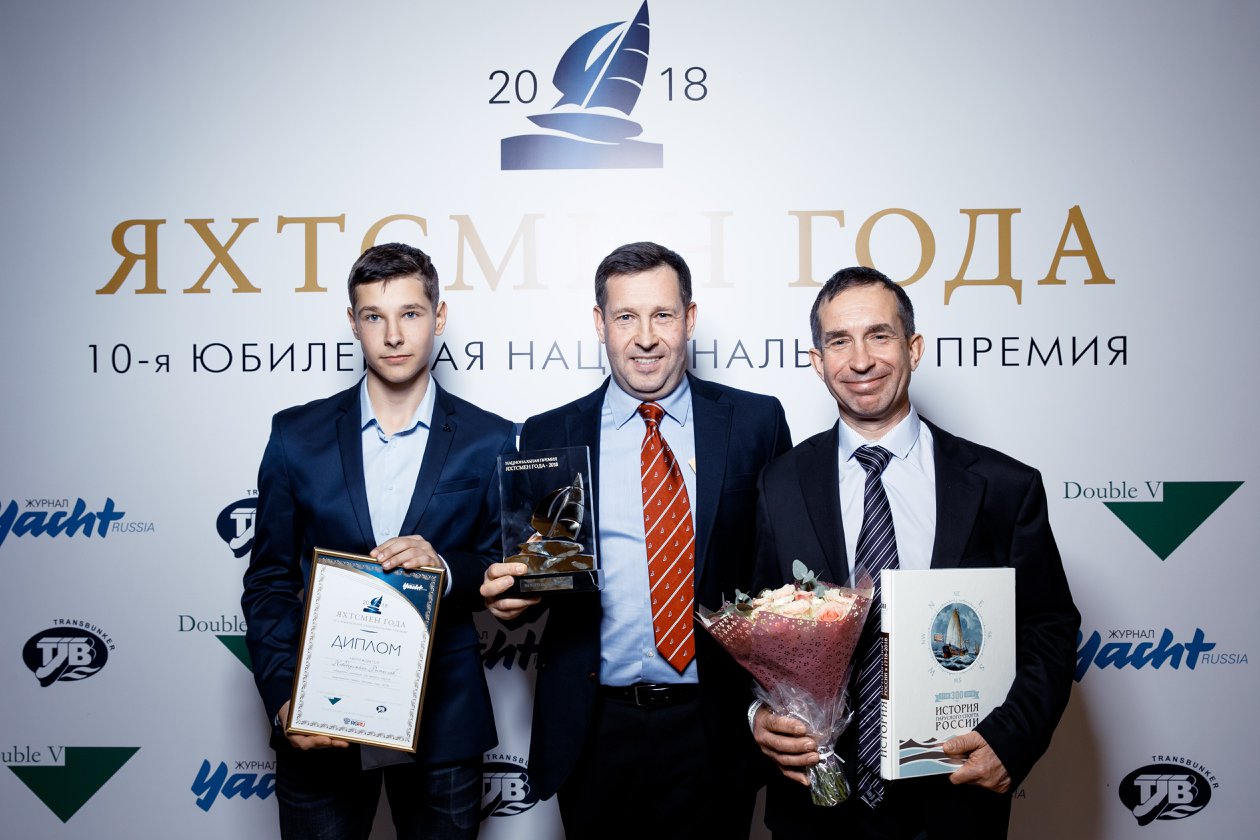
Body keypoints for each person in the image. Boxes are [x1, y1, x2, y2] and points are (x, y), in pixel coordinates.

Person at [751, 267, 1079, 839]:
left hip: (953, 801)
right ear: (817, 361)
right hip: (815, 808)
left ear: (914, 347)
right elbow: (753, 626)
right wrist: (757, 715)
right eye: (839, 341)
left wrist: (1013, 739)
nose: (860, 361)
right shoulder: (778, 484)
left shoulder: (1004, 487)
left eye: (879, 336)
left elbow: (1049, 626)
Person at [481, 241, 792, 838]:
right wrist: (512, 597)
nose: (645, 337)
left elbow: (782, 570)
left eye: (662, 315)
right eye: (626, 317)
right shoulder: (548, 433)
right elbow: (541, 571)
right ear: (600, 323)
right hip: (595, 727)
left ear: (689, 319)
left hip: (715, 724)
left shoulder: (756, 423)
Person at [241, 243, 515, 840]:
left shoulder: (491, 439)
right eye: (374, 316)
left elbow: (502, 563)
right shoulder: (295, 435)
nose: (393, 335)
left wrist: (444, 566)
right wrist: (285, 697)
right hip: (322, 718)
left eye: (410, 313)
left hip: (444, 720)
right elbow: (268, 581)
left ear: (439, 317)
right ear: (353, 322)